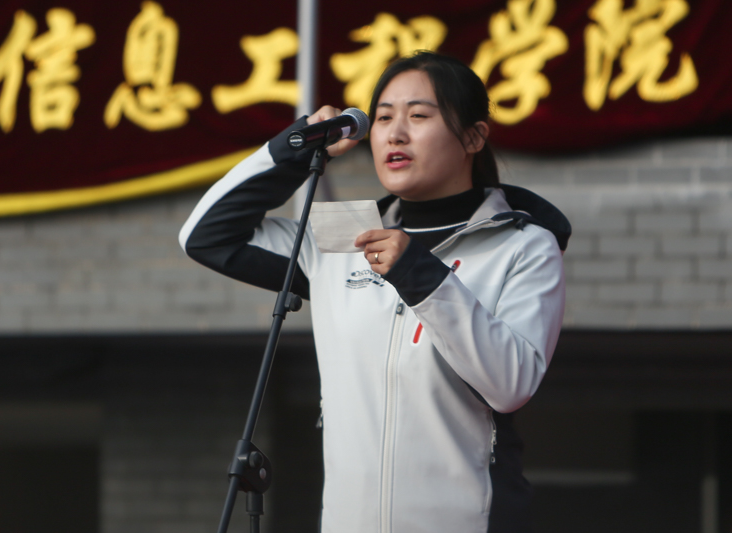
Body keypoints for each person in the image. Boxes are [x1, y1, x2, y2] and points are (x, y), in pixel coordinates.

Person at [179, 51, 570, 533]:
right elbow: (206, 236)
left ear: (473, 137)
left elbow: (511, 383)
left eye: (419, 116)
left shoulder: (524, 246)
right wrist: (293, 151)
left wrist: (420, 275)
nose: (395, 133)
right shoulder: (341, 241)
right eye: (383, 117)